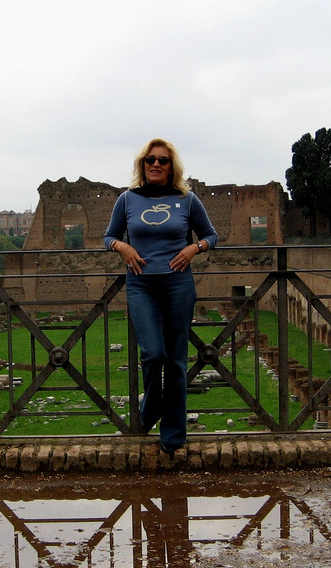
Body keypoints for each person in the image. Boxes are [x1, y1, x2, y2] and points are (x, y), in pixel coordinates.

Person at [103, 138, 218, 456]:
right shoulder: (127, 200)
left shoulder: (187, 199)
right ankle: (150, 407)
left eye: (163, 160)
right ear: (142, 164)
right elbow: (108, 236)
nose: (156, 164)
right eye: (150, 159)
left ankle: (173, 435)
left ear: (172, 166)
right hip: (141, 285)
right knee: (153, 354)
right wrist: (123, 247)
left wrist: (194, 248)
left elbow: (211, 235)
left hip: (178, 284)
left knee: (176, 361)